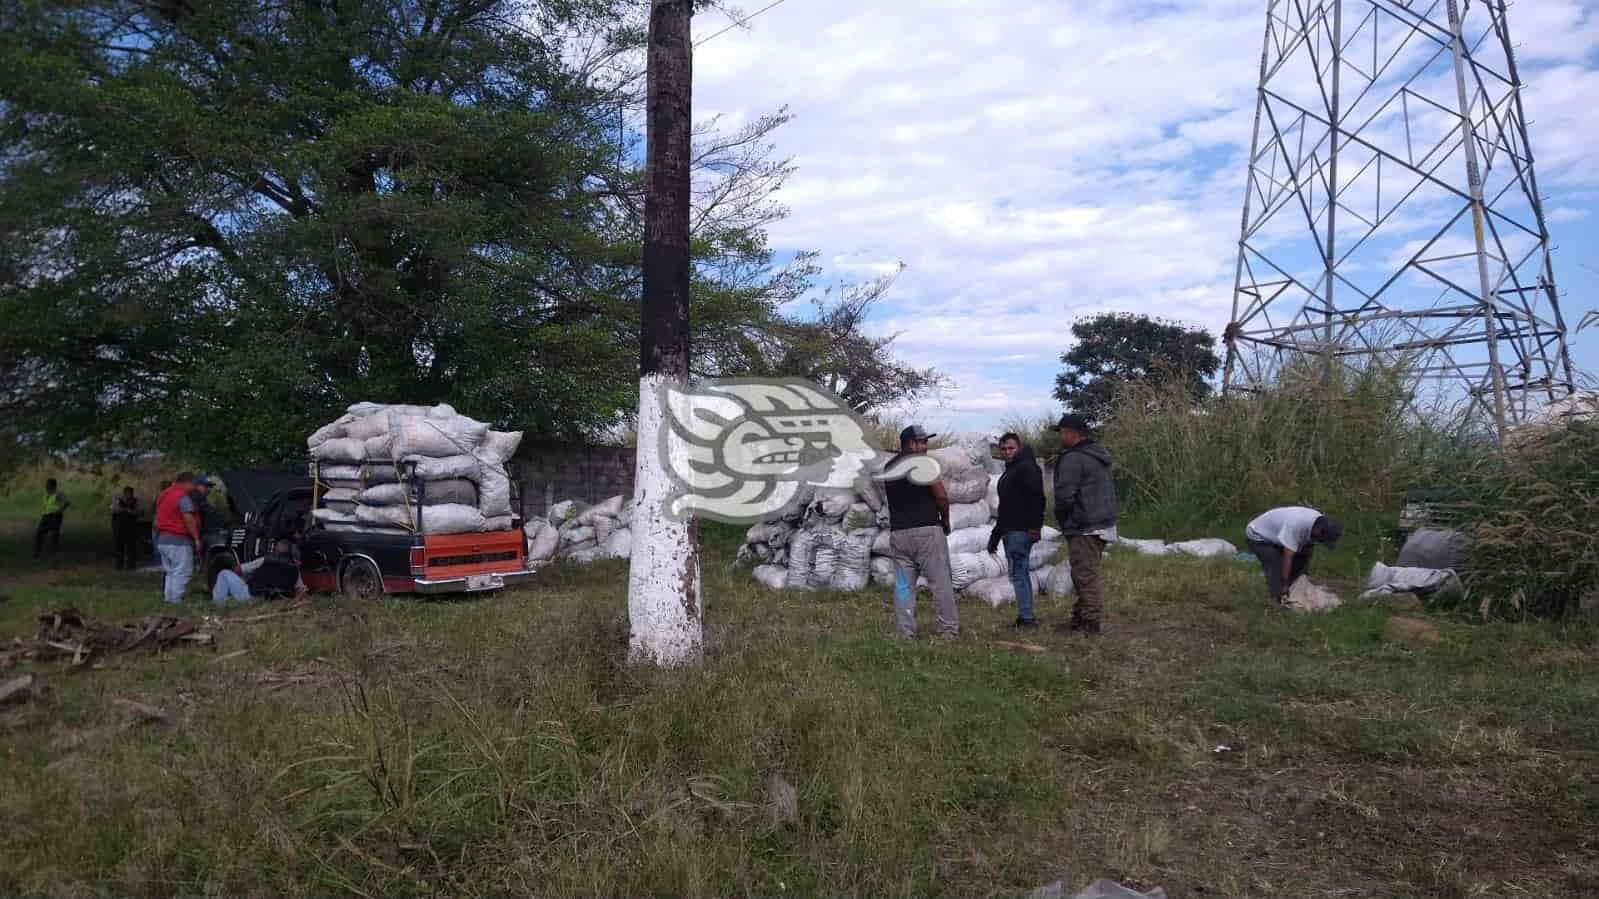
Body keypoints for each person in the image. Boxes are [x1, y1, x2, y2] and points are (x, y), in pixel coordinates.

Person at [884, 425, 958, 639]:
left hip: (899, 534)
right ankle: (948, 631)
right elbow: (941, 496)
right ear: (911, 444)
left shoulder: (890, 466)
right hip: (926, 531)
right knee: (940, 582)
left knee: (903, 586)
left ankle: (905, 633)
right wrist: (945, 520)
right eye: (922, 442)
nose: (926, 446)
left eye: (926, 442)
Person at [1053, 414, 1118, 635]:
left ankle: (1090, 624)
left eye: (1062, 432)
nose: (1060, 436)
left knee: (1085, 575)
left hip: (1085, 525)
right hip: (1102, 522)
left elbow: (1064, 497)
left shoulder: (1073, 458)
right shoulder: (1097, 454)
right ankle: (1080, 618)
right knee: (1084, 572)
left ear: (1073, 432)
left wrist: (1064, 521)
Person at [988, 432, 1045, 628]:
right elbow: (1005, 508)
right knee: (1019, 573)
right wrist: (995, 536)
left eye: (1011, 448)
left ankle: (1026, 618)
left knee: (1019, 573)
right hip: (1009, 530)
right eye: (1003, 449)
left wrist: (1035, 527)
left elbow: (1038, 499)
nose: (1007, 452)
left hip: (1020, 530)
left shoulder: (1026, 468)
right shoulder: (1011, 470)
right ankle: (1025, 615)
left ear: (1019, 447)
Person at [1244, 506, 1343, 606]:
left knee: (1300, 564)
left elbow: (1306, 550)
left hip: (1278, 535)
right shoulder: (1296, 524)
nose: (1321, 541)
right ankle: (1278, 600)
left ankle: (1292, 588)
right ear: (1318, 530)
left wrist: (1302, 576)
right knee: (1275, 564)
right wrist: (1285, 584)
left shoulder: (1319, 523)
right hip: (1258, 536)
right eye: (1322, 539)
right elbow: (1288, 557)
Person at [154, 472, 203, 603]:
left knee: (171, 572)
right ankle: (176, 600)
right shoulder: (181, 497)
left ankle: (168, 599)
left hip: (162, 539)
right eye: (193, 484)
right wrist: (196, 538)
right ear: (187, 483)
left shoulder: (164, 494)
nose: (194, 487)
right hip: (178, 540)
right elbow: (188, 518)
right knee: (183, 571)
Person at [242, 539, 307, 599]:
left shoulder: (264, 560)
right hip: (281, 600)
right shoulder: (295, 569)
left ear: (276, 548)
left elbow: (241, 569)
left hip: (259, 596)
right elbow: (301, 590)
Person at [35, 478, 71, 559]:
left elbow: (67, 502)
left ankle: (55, 554)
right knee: (39, 533)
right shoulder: (46, 494)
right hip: (45, 516)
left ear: (53, 485)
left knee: (54, 536)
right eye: (46, 484)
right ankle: (37, 554)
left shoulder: (59, 494)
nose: (46, 486)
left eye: (48, 484)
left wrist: (59, 510)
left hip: (55, 517)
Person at [111, 486, 141, 570]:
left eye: (130, 494)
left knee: (131, 547)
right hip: (119, 527)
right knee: (118, 547)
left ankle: (130, 566)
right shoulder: (117, 501)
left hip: (131, 528)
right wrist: (123, 510)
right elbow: (113, 510)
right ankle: (118, 566)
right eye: (127, 494)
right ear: (124, 494)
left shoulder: (135, 501)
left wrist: (130, 511)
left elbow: (138, 512)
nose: (128, 496)